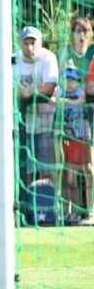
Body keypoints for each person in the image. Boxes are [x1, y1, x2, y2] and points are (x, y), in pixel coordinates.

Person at [14, 26, 59, 184]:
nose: (29, 47)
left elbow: (49, 86)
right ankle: (27, 206)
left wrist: (29, 92)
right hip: (22, 126)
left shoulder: (48, 58)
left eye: (33, 43)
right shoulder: (14, 59)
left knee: (46, 169)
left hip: (46, 123)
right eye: (26, 43)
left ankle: (47, 206)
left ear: (40, 43)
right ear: (21, 43)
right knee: (27, 169)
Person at [53, 68, 90, 224]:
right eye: (67, 79)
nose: (69, 83)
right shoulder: (59, 91)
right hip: (64, 138)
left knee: (85, 171)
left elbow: (81, 99)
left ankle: (84, 211)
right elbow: (53, 99)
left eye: (72, 80)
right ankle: (69, 212)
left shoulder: (81, 92)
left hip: (80, 137)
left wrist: (66, 101)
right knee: (68, 177)